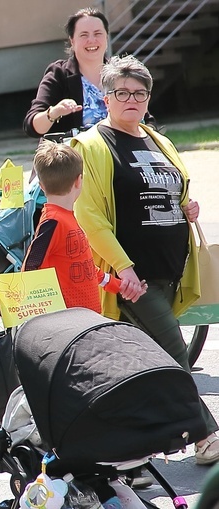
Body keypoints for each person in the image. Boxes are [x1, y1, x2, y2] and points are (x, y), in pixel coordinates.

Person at [71, 54, 219, 465]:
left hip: (170, 267)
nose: (131, 100)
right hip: (131, 277)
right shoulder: (92, 146)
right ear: (106, 97)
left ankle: (130, 446)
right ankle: (206, 435)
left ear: (148, 98)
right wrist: (123, 267)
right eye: (122, 93)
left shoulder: (159, 141)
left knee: (146, 360)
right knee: (175, 351)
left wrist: (186, 205)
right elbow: (89, 215)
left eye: (139, 93)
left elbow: (174, 188)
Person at [22, 141, 147, 311]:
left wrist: (118, 285)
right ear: (79, 181)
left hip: (87, 317)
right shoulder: (52, 221)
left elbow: (83, 266)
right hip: (68, 322)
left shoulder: (66, 218)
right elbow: (31, 264)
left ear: (41, 186)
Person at [23, 7, 111, 138]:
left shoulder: (120, 72)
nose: (91, 40)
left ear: (106, 38)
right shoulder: (59, 74)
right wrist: (53, 113)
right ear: (72, 41)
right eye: (84, 35)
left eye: (98, 34)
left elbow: (146, 120)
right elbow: (31, 126)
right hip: (74, 155)